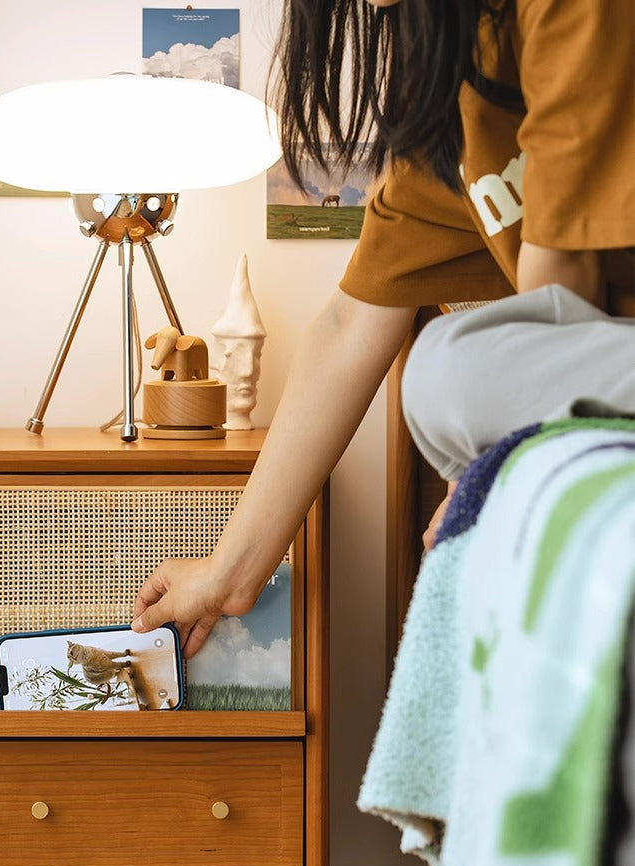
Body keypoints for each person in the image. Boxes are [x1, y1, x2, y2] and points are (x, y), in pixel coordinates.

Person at [132, 0, 635, 656]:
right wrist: (229, 572)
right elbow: (349, 323)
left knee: (447, 369)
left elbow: (559, 297)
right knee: (446, 373)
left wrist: (497, 473)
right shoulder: (446, 97)